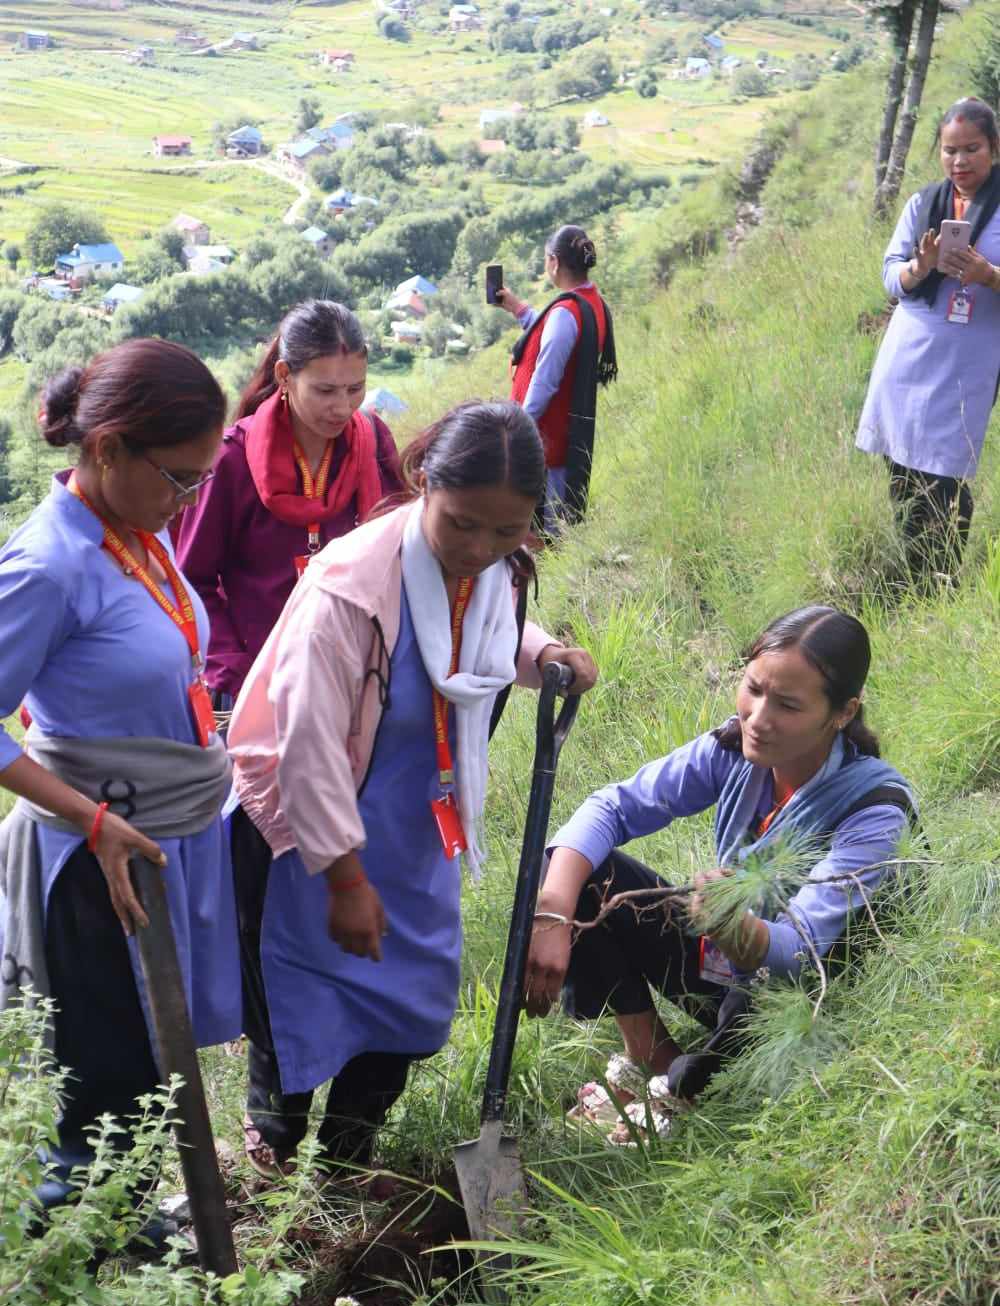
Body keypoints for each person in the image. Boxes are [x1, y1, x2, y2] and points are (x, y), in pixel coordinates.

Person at [226, 399, 598, 1183]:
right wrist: (345, 880)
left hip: (415, 821)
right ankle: (273, 1161)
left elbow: (482, 632)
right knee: (302, 1003)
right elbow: (306, 748)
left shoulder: (495, 571)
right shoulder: (346, 589)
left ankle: (347, 1163)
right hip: (310, 831)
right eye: (463, 525)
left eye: (509, 531)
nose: (481, 549)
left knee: (409, 1002)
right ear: (425, 481)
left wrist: (546, 655)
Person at [0, 339, 241, 1222]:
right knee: (105, 1102)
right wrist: (93, 821)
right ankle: (61, 1299)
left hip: (150, 846)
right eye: (180, 478)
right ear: (106, 451)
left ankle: (129, 1255)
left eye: (201, 480)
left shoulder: (133, 533)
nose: (191, 500)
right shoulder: (49, 565)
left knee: (143, 1087)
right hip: (92, 870)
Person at [524, 606, 916, 1143]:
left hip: (803, 999)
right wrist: (551, 910)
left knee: (701, 1084)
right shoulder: (735, 751)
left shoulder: (872, 810)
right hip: (731, 961)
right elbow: (612, 807)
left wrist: (732, 926)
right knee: (575, 872)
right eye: (753, 689)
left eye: (788, 705)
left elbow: (802, 952)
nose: (758, 717)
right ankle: (650, 1056)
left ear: (843, 713)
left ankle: (678, 1081)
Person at [174, 300, 404, 708]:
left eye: (355, 389)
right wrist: (235, 671)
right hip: (260, 684)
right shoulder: (232, 460)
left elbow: (399, 550)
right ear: (284, 375)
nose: (342, 407)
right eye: (325, 390)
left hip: (358, 675)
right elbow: (192, 580)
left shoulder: (371, 443)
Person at [857, 97, 1000, 590]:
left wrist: (990, 276)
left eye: (972, 149)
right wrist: (919, 268)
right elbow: (889, 276)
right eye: (950, 151)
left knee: (946, 474)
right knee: (901, 468)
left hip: (967, 362)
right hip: (909, 354)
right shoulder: (923, 203)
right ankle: (911, 571)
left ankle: (941, 580)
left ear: (994, 148)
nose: (960, 162)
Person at [497, 224, 617, 535]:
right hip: (568, 433)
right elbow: (553, 329)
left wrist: (515, 428)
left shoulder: (566, 312)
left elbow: (545, 381)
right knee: (558, 522)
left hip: (549, 439)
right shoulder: (592, 302)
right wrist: (517, 307)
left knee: (548, 531)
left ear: (554, 262)